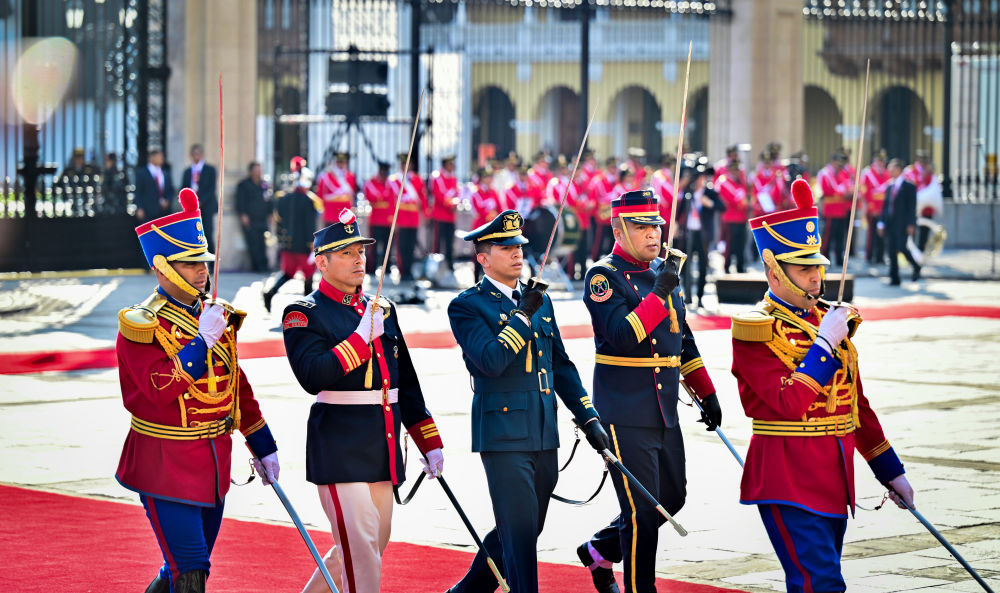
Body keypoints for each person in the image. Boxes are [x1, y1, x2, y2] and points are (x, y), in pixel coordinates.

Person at [732, 178, 915, 592]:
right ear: (774, 269)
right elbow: (788, 402)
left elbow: (856, 406)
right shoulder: (756, 329)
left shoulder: (825, 321)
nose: (816, 278)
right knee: (821, 585)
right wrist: (824, 344)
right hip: (786, 477)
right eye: (804, 268)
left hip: (835, 477)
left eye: (818, 267)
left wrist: (890, 471)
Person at [116, 187, 279, 593]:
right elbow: (159, 389)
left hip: (212, 463)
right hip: (164, 463)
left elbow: (235, 383)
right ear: (162, 267)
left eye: (203, 262)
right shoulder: (141, 324)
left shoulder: (212, 314)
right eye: (190, 264)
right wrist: (201, 343)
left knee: (183, 569)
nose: (201, 271)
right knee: (190, 571)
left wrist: (263, 442)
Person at [445, 210, 611, 593]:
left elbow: (561, 366)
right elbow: (490, 361)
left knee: (524, 525)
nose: (517, 254)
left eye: (519, 246)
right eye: (505, 248)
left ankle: (467, 592)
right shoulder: (468, 305)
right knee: (520, 534)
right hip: (503, 435)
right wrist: (522, 316)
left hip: (542, 431)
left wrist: (588, 417)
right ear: (483, 258)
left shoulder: (536, 300)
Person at [281, 208, 445, 593]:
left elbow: (405, 380)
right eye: (347, 253)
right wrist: (359, 338)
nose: (359, 259)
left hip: (381, 443)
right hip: (339, 445)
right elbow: (312, 376)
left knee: (366, 548)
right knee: (362, 552)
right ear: (321, 262)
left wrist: (428, 439)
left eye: (361, 251)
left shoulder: (381, 309)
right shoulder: (303, 313)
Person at [577, 189, 722, 593]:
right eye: (640, 227)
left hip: (664, 409)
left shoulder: (662, 270)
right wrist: (659, 292)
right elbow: (623, 336)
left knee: (673, 497)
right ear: (618, 229)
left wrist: (706, 391)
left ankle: (598, 550)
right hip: (624, 410)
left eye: (655, 226)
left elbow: (682, 338)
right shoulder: (602, 276)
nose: (652, 234)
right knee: (643, 513)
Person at [263, 158, 321, 312]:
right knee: (308, 276)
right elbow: (310, 225)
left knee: (288, 273)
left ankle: (270, 292)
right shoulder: (308, 201)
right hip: (303, 245)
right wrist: (312, 244)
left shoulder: (283, 199)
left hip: (288, 243)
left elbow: (279, 221)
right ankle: (308, 309)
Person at [676, 163, 724, 308]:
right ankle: (688, 296)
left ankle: (700, 297)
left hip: (703, 235)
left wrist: (708, 203)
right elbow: (680, 212)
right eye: (698, 177)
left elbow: (722, 207)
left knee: (703, 266)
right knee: (686, 266)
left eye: (703, 177)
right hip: (689, 233)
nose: (700, 180)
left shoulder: (709, 192)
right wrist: (677, 225)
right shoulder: (688, 192)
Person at [879, 158, 921, 285]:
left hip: (902, 223)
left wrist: (911, 224)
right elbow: (886, 206)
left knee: (902, 247)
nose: (889, 170)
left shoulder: (909, 186)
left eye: (892, 168)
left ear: (898, 169)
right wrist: (881, 222)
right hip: (890, 223)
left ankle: (916, 266)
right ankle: (894, 277)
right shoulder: (890, 186)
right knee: (891, 250)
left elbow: (911, 207)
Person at [386, 152, 427, 281]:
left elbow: (422, 198)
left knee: (411, 246)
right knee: (401, 247)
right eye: (404, 164)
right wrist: (393, 219)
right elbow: (390, 201)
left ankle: (409, 270)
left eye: (409, 164)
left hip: (413, 217)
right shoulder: (394, 180)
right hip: (401, 217)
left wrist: (425, 214)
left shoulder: (417, 179)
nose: (406, 166)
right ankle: (403, 271)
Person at [235, 161, 272, 273]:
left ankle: (264, 265)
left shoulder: (264, 185)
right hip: (250, 219)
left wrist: (270, 214)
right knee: (253, 243)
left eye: (260, 170)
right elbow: (239, 201)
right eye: (256, 170)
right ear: (251, 171)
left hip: (262, 219)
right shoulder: (243, 185)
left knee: (263, 242)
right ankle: (257, 266)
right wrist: (243, 215)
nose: (258, 173)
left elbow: (269, 201)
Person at [817, 151, 852, 267]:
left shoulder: (841, 173)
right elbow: (826, 190)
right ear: (833, 162)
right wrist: (843, 192)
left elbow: (848, 187)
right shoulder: (825, 174)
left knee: (840, 237)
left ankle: (839, 259)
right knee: (828, 236)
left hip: (841, 210)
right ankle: (826, 258)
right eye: (838, 165)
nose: (840, 168)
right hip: (830, 210)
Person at [181, 144, 218, 251]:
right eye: (194, 154)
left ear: (202, 154)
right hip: (191, 209)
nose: (196, 155)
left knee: (207, 233)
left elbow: (211, 189)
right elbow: (184, 188)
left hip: (206, 206)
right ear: (191, 155)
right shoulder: (187, 172)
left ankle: (211, 261)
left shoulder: (210, 170)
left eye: (198, 153)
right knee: (193, 234)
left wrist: (201, 201)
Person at [718, 158, 750, 273]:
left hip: (741, 219)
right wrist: (740, 203)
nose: (736, 172)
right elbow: (727, 200)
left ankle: (740, 267)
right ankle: (727, 267)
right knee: (730, 246)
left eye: (737, 170)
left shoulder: (741, 182)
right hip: (730, 218)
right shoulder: (724, 182)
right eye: (734, 170)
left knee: (741, 245)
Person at [430, 155, 461, 272]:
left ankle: (449, 264)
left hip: (451, 216)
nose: (453, 166)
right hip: (440, 215)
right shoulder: (437, 177)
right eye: (450, 164)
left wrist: (455, 203)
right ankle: (434, 266)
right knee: (437, 242)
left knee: (450, 242)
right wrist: (450, 204)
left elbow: (457, 193)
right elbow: (439, 195)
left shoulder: (453, 178)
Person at [861, 150, 891, 265]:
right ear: (875, 161)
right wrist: (871, 208)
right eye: (879, 161)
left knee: (882, 235)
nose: (882, 163)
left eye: (883, 161)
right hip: (873, 209)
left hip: (883, 209)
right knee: (871, 234)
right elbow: (866, 193)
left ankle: (880, 257)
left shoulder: (886, 173)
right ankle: (869, 257)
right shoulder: (868, 173)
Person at [134, 149, 174, 223]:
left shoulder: (165, 173)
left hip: (164, 212)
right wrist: (139, 208)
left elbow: (170, 190)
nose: (162, 158)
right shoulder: (142, 173)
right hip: (148, 213)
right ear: (151, 158)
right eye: (159, 156)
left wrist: (168, 200)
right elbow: (138, 192)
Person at [316, 152, 357, 225]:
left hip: (346, 212)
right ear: (335, 162)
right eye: (339, 162)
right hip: (331, 211)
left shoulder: (351, 176)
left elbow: (352, 194)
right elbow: (320, 194)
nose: (341, 164)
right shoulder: (325, 177)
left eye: (343, 162)